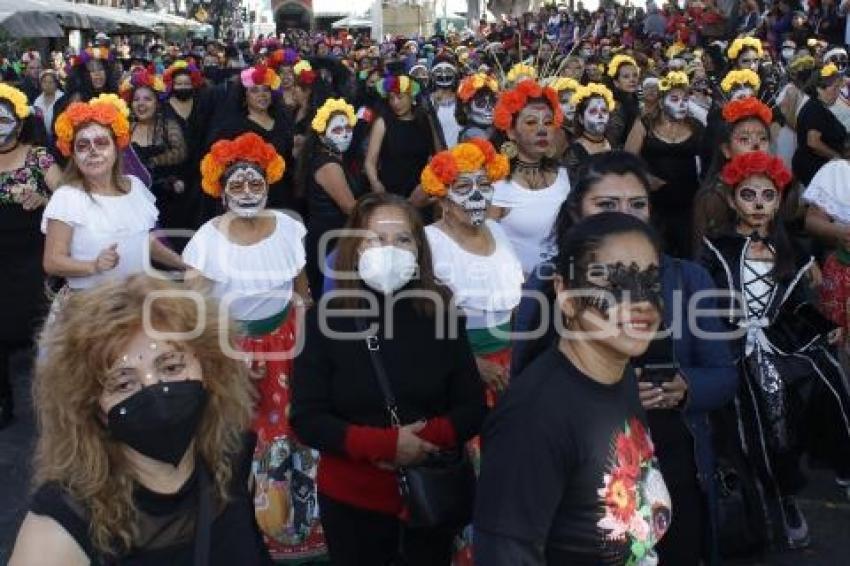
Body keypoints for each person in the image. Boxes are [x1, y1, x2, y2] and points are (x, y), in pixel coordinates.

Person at [512, 151, 738, 564]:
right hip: (583, 477)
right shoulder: (548, 284)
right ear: (577, 210)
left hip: (675, 464)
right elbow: (523, 387)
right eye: (606, 204)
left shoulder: (688, 279)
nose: (625, 215)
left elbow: (723, 374)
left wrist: (687, 388)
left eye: (637, 204)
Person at [8, 275, 271, 565]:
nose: (156, 393)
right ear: (92, 407)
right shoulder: (61, 529)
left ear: (207, 367)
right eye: (123, 384)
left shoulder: (233, 461)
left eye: (171, 366)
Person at [290, 192, 486, 566]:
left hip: (430, 497)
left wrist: (422, 442)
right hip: (352, 503)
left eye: (401, 239)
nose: (389, 249)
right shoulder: (323, 322)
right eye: (375, 239)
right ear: (354, 248)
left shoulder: (441, 315)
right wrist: (385, 444)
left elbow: (472, 408)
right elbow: (307, 418)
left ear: (418, 250)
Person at [474, 212, 672, 564]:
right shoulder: (534, 417)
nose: (641, 301)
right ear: (566, 294)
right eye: (614, 283)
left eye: (651, 281)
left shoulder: (621, 375)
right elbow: (505, 552)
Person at [698, 151, 849, 549]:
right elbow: (703, 303)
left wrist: (823, 326)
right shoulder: (716, 249)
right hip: (730, 351)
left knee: (796, 417)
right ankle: (756, 504)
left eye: (768, 195)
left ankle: (785, 496)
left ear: (780, 200)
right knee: (743, 433)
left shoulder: (794, 253)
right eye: (749, 195)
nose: (759, 204)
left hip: (777, 349)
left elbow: (798, 306)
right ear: (732, 200)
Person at [184, 132, 323, 561]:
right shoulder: (207, 240)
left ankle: (297, 529)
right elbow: (194, 316)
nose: (247, 191)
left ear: (269, 184)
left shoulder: (289, 228)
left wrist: (313, 345)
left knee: (296, 433)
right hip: (232, 349)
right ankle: (243, 534)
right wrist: (235, 358)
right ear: (222, 191)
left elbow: (304, 293)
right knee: (241, 443)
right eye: (237, 184)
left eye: (255, 183)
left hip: (290, 344)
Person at [42, 95, 185, 309]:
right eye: (82, 145)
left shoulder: (135, 187)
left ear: (116, 149)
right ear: (72, 154)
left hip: (136, 302)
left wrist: (184, 266)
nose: (93, 151)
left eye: (101, 143)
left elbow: (143, 240)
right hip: (90, 307)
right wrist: (93, 266)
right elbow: (52, 261)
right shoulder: (67, 197)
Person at [420, 139, 520, 407]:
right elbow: (420, 324)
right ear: (444, 199)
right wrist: (472, 364)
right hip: (458, 367)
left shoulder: (497, 230)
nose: (477, 196)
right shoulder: (429, 242)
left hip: (507, 366)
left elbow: (510, 307)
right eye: (464, 187)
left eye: (484, 185)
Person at [0, 83, 61, 429]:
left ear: (19, 122)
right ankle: (2, 398)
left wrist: (44, 201)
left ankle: (52, 403)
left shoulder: (39, 157)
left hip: (30, 259)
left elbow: (70, 201)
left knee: (39, 328)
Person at [489, 79, 570, 276]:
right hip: (517, 290)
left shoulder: (564, 177)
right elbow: (486, 247)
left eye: (548, 122)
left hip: (561, 284)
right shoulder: (496, 185)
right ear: (510, 132)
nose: (542, 130)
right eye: (531, 122)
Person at [626, 71, 704, 258]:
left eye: (685, 100)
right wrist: (645, 178)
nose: (681, 104)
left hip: (688, 205)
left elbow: (708, 160)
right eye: (675, 99)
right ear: (661, 102)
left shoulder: (696, 126)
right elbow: (628, 160)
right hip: (655, 205)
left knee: (688, 254)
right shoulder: (644, 124)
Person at [206, 64, 295, 212]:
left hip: (283, 194)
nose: (262, 95)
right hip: (249, 197)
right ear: (244, 97)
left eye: (266, 90)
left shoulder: (283, 121)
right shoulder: (232, 127)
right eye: (254, 91)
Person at [296, 98, 359, 296]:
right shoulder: (328, 165)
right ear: (322, 136)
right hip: (330, 240)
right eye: (338, 130)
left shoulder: (329, 157)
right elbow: (350, 207)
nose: (345, 134)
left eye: (348, 128)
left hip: (330, 237)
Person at [694, 97, 774, 248]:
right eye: (745, 139)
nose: (756, 145)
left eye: (763, 138)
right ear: (726, 150)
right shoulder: (714, 196)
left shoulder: (773, 186)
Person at [121, 70, 189, 239]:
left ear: (157, 103)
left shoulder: (168, 126)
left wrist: (153, 161)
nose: (141, 104)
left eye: (147, 99)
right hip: (133, 204)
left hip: (167, 202)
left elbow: (181, 153)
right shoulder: (126, 129)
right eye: (136, 99)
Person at [364, 75, 438, 199]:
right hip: (391, 193)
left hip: (421, 193)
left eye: (400, 97)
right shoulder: (382, 123)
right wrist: (375, 183)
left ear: (411, 97)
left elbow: (436, 155)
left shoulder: (424, 120)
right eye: (391, 98)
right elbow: (369, 162)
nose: (395, 103)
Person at [163, 60, 210, 233]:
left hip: (199, 173)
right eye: (179, 84)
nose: (183, 87)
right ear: (172, 85)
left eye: (186, 83)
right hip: (172, 173)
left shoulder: (202, 104)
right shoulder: (164, 108)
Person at [792, 62, 848, 186]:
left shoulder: (818, 107)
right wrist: (838, 157)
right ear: (819, 89)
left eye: (839, 88)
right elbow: (813, 142)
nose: (838, 93)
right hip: (814, 168)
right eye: (834, 88)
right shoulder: (814, 108)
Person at [562, 83, 615, 179]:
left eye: (604, 111)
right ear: (581, 119)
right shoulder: (574, 152)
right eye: (593, 111)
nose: (600, 115)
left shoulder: (613, 143)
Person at [605, 54, 641, 148]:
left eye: (635, 75)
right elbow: (612, 142)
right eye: (626, 77)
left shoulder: (634, 98)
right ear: (616, 83)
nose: (632, 80)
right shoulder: (614, 106)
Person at [455, 73, 499, 143]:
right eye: (480, 102)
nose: (489, 108)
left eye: (492, 101)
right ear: (466, 109)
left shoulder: (494, 127)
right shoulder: (471, 134)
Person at [32, 70, 63, 143]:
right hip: (43, 138)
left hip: (59, 137)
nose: (47, 85)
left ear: (56, 84)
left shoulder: (62, 98)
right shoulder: (37, 101)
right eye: (44, 82)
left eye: (50, 82)